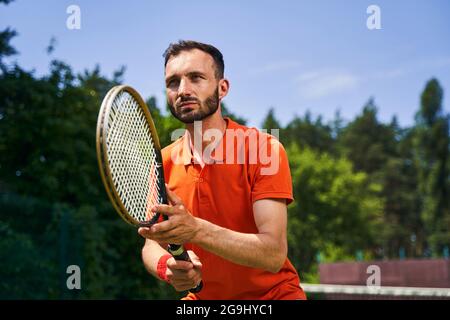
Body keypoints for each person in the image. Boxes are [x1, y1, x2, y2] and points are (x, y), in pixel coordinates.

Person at [138, 40, 306, 300]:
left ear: (222, 87)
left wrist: (195, 230)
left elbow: (273, 254)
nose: (183, 90)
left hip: (274, 296)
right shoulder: (163, 163)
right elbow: (151, 244)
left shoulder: (264, 149)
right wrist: (167, 268)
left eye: (196, 78)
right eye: (173, 82)